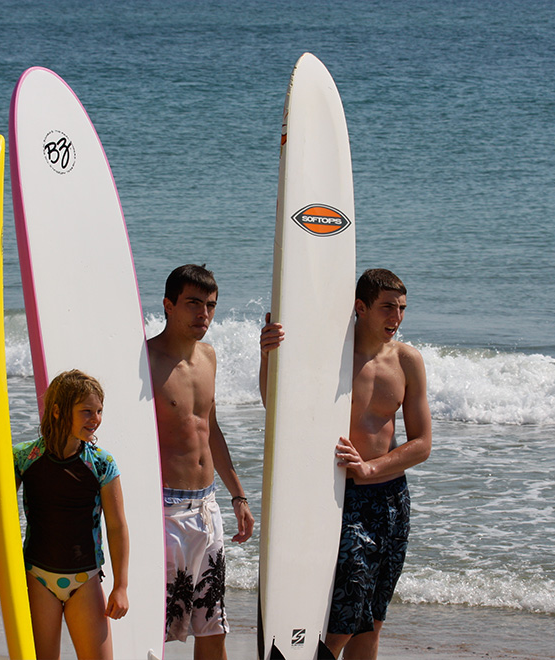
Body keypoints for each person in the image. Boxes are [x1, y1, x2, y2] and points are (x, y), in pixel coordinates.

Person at [260, 268, 432, 660]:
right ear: (361, 307)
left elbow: (422, 444)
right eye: (388, 307)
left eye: (402, 309)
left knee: (370, 624)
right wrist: (267, 356)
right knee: (338, 623)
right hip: (341, 500)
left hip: (391, 503)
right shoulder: (330, 358)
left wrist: (374, 468)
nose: (397, 318)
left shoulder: (407, 361)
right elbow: (278, 408)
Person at [0, 369, 129, 660]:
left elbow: (117, 526)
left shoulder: (101, 464)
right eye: (86, 411)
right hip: (37, 577)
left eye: (98, 411)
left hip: (85, 578)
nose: (95, 419)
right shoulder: (23, 457)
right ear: (58, 411)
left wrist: (120, 586)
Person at [147, 264, 254, 659]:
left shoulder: (208, 356)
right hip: (164, 512)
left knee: (213, 629)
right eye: (193, 304)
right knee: (154, 628)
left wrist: (238, 497)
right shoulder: (145, 361)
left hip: (207, 510)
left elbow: (210, 428)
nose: (203, 315)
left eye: (210, 305)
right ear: (168, 305)